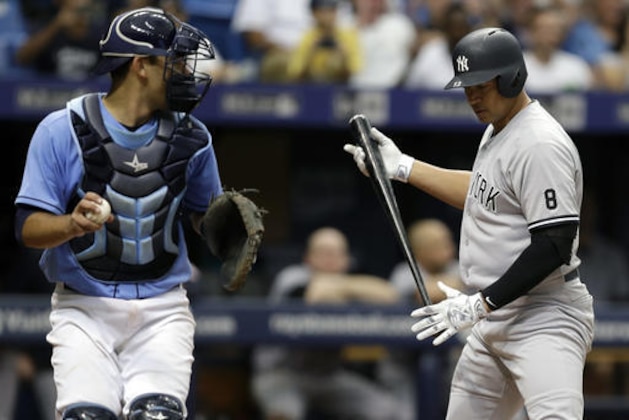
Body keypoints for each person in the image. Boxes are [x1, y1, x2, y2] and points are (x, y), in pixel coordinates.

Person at [344, 27, 594, 419]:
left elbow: (555, 242)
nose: (472, 96)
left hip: (543, 317)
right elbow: (485, 195)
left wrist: (479, 303)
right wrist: (404, 168)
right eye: (466, 86)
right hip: (495, 315)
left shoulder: (539, 143)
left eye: (482, 84)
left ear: (512, 77)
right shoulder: (499, 130)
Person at [14, 7, 223, 419]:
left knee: (157, 414)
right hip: (84, 307)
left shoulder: (193, 137)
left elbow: (205, 215)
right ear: (141, 65)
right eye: (175, 61)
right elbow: (29, 228)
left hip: (163, 309)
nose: (184, 72)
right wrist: (71, 223)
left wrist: (225, 227)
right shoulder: (61, 129)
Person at [251, 227, 404, 420]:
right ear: (308, 258)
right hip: (281, 374)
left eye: (337, 253)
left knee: (386, 410)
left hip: (328, 377)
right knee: (285, 413)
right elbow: (315, 295)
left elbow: (391, 295)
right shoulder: (292, 277)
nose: (330, 258)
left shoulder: (348, 284)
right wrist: (349, 287)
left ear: (347, 260)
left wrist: (344, 286)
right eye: (323, 252)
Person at [14, 0, 108, 80]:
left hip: (87, 93)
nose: (80, 16)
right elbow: (22, 58)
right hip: (50, 92)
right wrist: (56, 25)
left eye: (84, 11)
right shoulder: (49, 29)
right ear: (63, 9)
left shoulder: (99, 34)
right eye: (74, 11)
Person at [287, 0, 362, 84]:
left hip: (340, 87)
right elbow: (295, 73)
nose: (327, 16)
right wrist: (310, 53)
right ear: (313, 13)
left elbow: (356, 70)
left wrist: (344, 57)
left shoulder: (348, 36)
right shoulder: (307, 37)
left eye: (331, 11)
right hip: (311, 86)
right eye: (322, 12)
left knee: (336, 63)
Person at [522, 6, 593, 94]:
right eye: (544, 29)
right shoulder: (517, 67)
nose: (550, 34)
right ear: (532, 32)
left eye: (555, 29)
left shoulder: (577, 67)